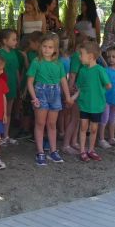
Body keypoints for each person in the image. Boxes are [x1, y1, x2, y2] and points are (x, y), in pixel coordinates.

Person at [27, 34, 72, 166]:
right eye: (44, 46)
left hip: (55, 93)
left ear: (55, 49)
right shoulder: (36, 61)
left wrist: (68, 96)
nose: (47, 49)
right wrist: (34, 97)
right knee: (40, 123)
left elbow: (63, 81)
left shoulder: (58, 63)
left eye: (50, 47)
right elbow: (30, 82)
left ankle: (53, 151)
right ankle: (40, 152)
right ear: (40, 47)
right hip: (41, 92)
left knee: (52, 124)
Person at [75, 41, 111, 163]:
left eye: (82, 54)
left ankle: (91, 150)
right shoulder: (82, 70)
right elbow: (79, 87)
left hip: (97, 105)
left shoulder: (100, 70)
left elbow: (108, 85)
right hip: (84, 104)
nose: (79, 56)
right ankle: (82, 151)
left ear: (90, 56)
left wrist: (99, 90)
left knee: (94, 128)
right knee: (83, 127)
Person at [0, 29, 21, 145]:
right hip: (1, 87)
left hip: (11, 86)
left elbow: (16, 70)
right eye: (13, 39)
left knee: (8, 112)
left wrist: (18, 83)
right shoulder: (0, 53)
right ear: (5, 41)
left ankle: (6, 135)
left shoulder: (14, 53)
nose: (16, 42)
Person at [99, 47, 115, 149]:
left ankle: (111, 137)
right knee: (104, 118)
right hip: (106, 99)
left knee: (113, 119)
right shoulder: (105, 71)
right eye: (109, 57)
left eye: (114, 57)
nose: (111, 59)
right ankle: (101, 139)